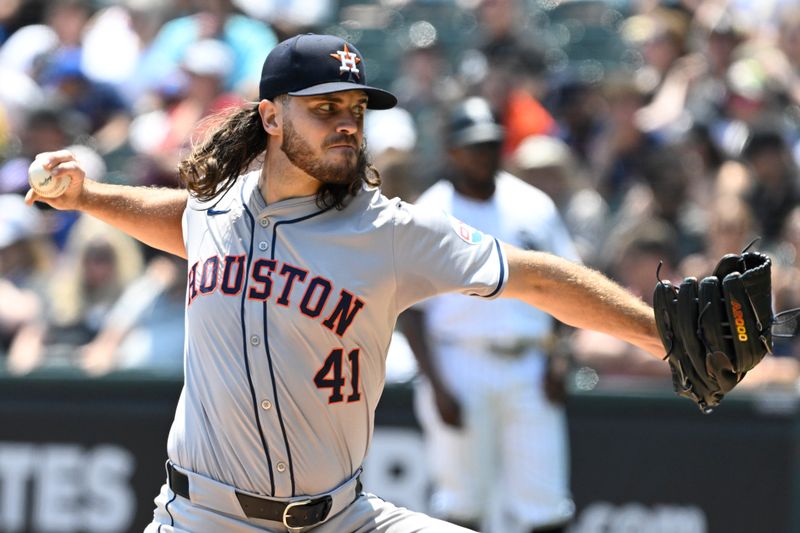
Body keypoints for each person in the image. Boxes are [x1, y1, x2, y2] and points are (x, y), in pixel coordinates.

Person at [26, 33, 663, 533]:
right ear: (271, 118)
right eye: (325, 107)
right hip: (203, 519)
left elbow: (538, 277)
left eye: (356, 108)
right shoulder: (215, 209)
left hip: (343, 519)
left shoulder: (388, 230)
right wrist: (88, 196)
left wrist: (657, 334)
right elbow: (180, 219)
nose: (347, 123)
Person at [402, 97, 578, 532]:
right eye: (472, 145)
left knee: (547, 505)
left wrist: (560, 357)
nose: (483, 153)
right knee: (462, 507)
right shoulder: (430, 211)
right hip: (459, 361)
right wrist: (437, 384)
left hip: (530, 363)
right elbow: (412, 311)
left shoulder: (533, 205)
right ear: (452, 150)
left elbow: (567, 286)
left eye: (490, 143)